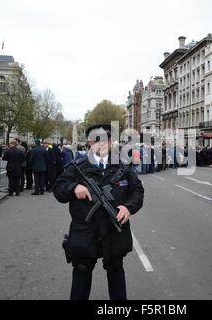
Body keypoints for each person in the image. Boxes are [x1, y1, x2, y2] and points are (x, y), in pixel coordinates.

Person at [53, 124, 144, 300]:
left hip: (114, 230)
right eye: (96, 140)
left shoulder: (123, 167)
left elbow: (137, 191)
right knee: (81, 274)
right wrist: (73, 187)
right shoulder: (77, 166)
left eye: (105, 140)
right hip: (85, 232)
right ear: (89, 143)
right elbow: (58, 190)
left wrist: (128, 207)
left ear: (111, 143)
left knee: (116, 272)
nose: (101, 144)